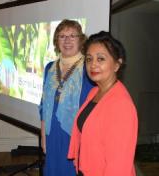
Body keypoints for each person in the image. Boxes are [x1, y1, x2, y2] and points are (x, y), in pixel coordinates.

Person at [68, 31, 138, 176]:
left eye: (101, 59)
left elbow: (118, 166)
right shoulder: (94, 92)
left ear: (117, 65)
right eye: (89, 59)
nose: (93, 64)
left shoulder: (121, 105)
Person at [39, 19, 94, 176]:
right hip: (52, 134)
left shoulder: (89, 68)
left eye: (72, 36)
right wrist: (43, 137)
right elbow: (43, 106)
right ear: (57, 41)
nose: (67, 40)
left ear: (80, 40)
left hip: (76, 135)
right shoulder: (50, 68)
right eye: (62, 36)